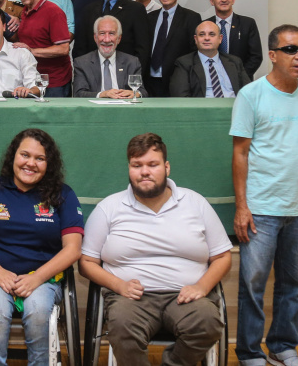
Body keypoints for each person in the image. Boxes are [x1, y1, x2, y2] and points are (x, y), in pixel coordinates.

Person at [79, 133, 232, 366]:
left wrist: (202, 286)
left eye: (153, 164)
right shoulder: (108, 208)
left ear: (167, 167)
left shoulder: (195, 203)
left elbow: (222, 256)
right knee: (121, 328)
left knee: (208, 324)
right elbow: (86, 262)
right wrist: (118, 285)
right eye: (136, 165)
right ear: (129, 168)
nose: (144, 172)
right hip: (130, 298)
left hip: (186, 296)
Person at [230, 24, 298, 366]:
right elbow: (240, 152)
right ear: (272, 55)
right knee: (253, 285)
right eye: (290, 49)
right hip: (261, 207)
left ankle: (283, 347)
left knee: (294, 283)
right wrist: (242, 207)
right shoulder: (251, 95)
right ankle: (249, 352)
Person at [0, 128, 84, 366]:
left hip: (44, 278)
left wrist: (36, 278)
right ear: (13, 156)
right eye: (25, 155)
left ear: (49, 164)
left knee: (37, 310)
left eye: (40, 158)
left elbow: (73, 249)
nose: (31, 163)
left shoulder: (63, 194)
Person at [73, 0, 150, 72]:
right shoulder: (88, 10)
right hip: (93, 75)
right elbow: (80, 48)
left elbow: (142, 49)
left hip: (124, 75)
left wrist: (134, 77)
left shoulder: (136, 10)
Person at [14, 0, 72, 97]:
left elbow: (63, 49)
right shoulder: (24, 11)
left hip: (55, 83)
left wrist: (32, 51)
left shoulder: (53, 11)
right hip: (32, 81)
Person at [146, 0, 202, 97]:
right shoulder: (149, 18)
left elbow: (194, 52)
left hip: (177, 80)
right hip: (149, 82)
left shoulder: (191, 18)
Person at [170, 20, 251, 97]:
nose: (207, 38)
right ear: (196, 39)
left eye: (212, 34)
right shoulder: (184, 63)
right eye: (202, 34)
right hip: (202, 110)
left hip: (234, 108)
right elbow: (180, 97)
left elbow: (249, 93)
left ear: (220, 38)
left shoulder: (235, 61)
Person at [73, 15, 147, 99]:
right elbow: (78, 93)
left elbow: (142, 92)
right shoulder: (82, 63)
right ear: (95, 38)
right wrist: (103, 94)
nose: (107, 40)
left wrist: (135, 93)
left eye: (111, 33)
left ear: (119, 38)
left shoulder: (132, 62)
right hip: (95, 110)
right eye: (102, 33)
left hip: (124, 109)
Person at [204, 0, 263, 79]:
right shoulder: (204, 25)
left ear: (233, 0)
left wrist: (240, 76)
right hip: (211, 80)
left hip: (241, 81)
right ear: (212, 1)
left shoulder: (248, 24)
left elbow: (256, 57)